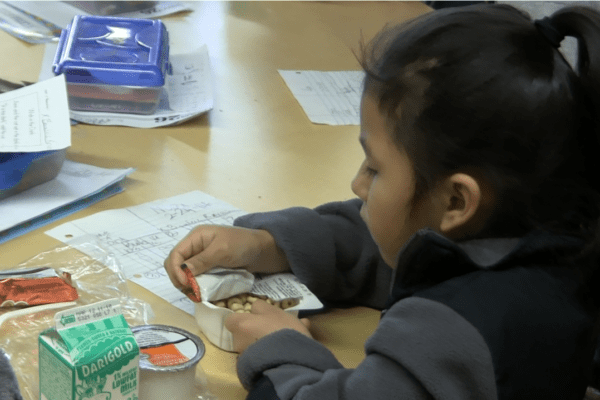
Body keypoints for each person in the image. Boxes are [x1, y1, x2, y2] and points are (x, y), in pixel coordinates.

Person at [164, 4, 600, 399]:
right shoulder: (543, 236)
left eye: (374, 168)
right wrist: (269, 245)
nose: (357, 183)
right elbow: (405, 245)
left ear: (456, 200)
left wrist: (277, 348)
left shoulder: (453, 332)